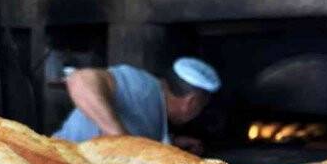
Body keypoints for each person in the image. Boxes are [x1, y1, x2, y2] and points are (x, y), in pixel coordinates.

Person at [53, 58, 221, 147]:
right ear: (191, 103)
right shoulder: (142, 86)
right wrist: (119, 136)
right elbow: (80, 79)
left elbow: (137, 128)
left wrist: (172, 143)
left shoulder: (156, 105)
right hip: (60, 162)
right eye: (200, 106)